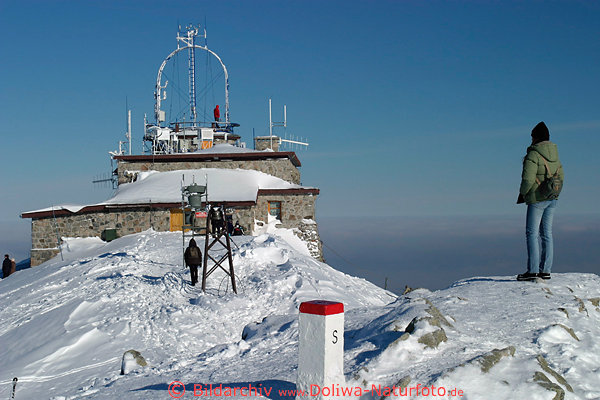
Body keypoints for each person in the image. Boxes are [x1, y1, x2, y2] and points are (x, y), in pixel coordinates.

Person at [516, 121, 564, 281]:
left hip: (537, 199)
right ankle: (546, 270)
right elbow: (561, 175)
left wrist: (522, 193)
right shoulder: (555, 154)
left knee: (531, 233)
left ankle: (533, 271)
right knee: (547, 234)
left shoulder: (533, 154)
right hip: (552, 197)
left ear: (535, 137)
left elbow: (528, 179)